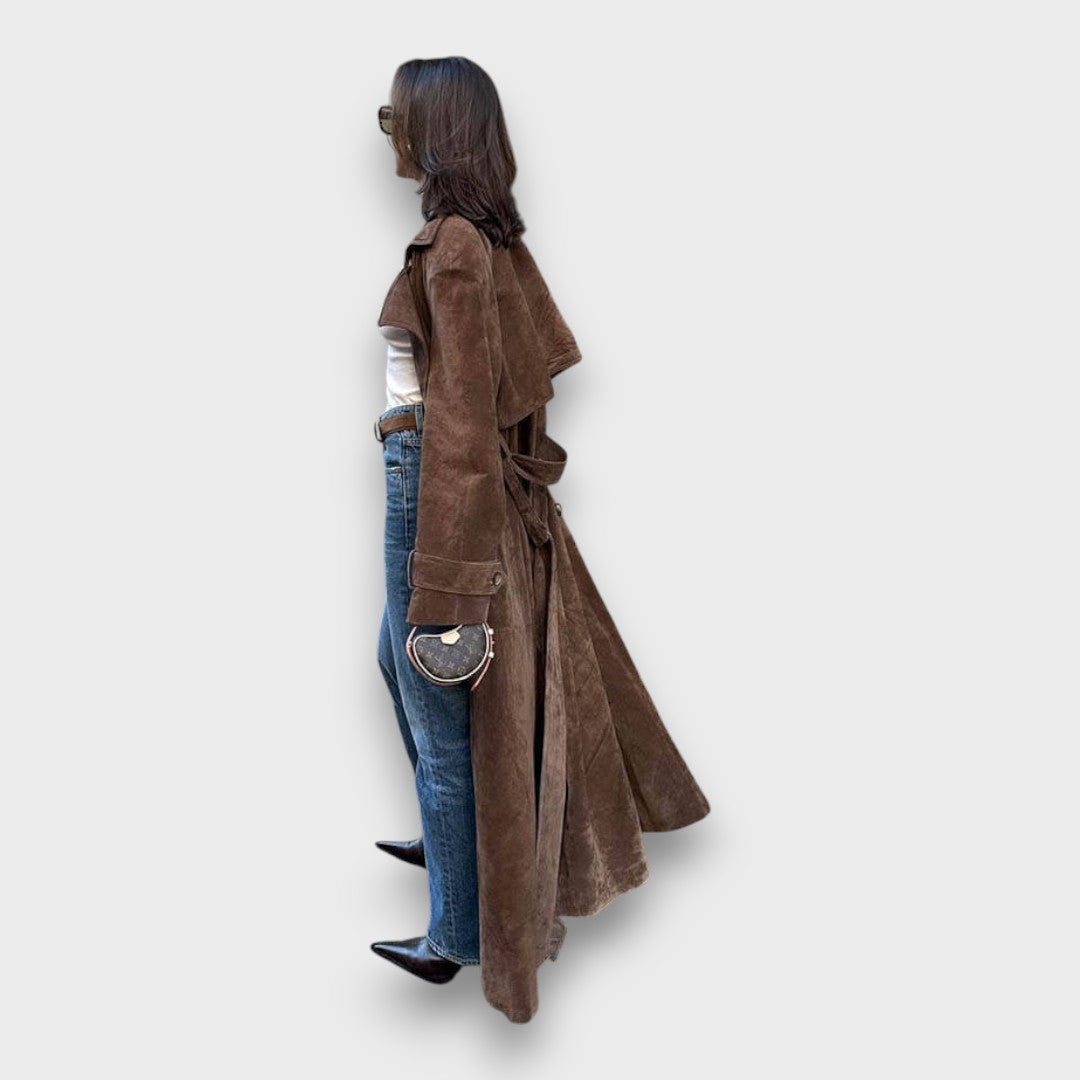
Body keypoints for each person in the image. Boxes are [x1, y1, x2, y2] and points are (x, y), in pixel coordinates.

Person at [368, 56, 711, 1023]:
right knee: (395, 665)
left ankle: (455, 933)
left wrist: (453, 582)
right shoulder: (485, 236)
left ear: (433, 130)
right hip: (427, 471)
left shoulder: (454, 247)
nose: (388, 130)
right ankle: (452, 840)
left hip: (429, 480)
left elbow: (464, 425)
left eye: (396, 115)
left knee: (439, 705)